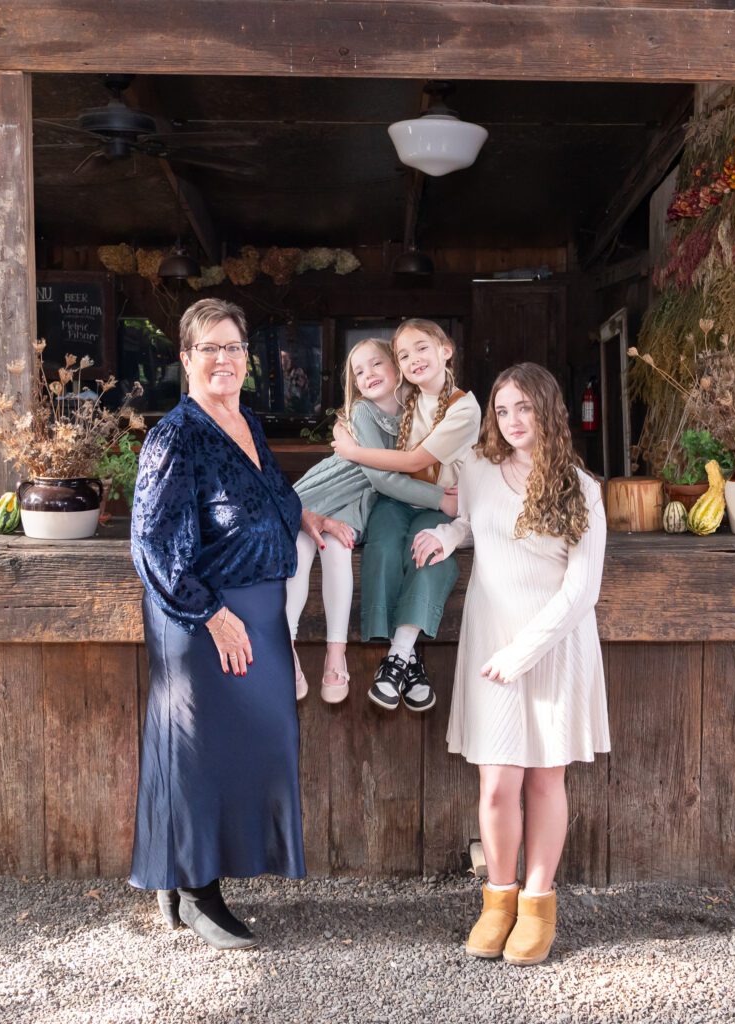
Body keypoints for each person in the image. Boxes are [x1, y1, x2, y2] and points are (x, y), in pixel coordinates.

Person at [130, 298, 332, 950]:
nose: (223, 359)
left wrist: (306, 518)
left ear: (248, 360)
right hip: (202, 615)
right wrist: (211, 615)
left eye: (234, 348)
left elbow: (268, 491)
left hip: (258, 611)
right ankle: (195, 893)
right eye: (209, 348)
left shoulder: (244, 420)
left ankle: (182, 873)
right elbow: (153, 548)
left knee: (254, 748)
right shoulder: (176, 437)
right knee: (199, 755)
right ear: (185, 358)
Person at [411, 363, 609, 967]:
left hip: (551, 647)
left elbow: (584, 590)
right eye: (502, 410)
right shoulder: (478, 470)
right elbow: (474, 522)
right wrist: (447, 538)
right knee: (497, 784)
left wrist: (524, 653)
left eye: (524, 408)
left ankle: (539, 903)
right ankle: (497, 902)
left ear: (548, 410)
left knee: (547, 778)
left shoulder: (582, 488)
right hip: (490, 637)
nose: (512, 421)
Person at [286, 338, 458, 704]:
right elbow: (382, 476)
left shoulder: (419, 411)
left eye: (376, 364)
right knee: (299, 548)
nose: (368, 375)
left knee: (337, 547)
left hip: (357, 502)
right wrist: (438, 499)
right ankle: (286, 649)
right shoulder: (363, 412)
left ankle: (337, 653)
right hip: (331, 489)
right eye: (359, 372)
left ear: (397, 368)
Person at [331, 319, 480, 711]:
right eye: (404, 354)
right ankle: (410, 660)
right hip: (400, 498)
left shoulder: (462, 406)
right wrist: (347, 423)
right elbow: (364, 405)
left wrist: (353, 451)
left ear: (446, 349)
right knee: (381, 546)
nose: (414, 359)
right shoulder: (407, 393)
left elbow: (415, 459)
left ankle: (396, 655)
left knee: (428, 552)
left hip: (442, 500)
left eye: (422, 349)